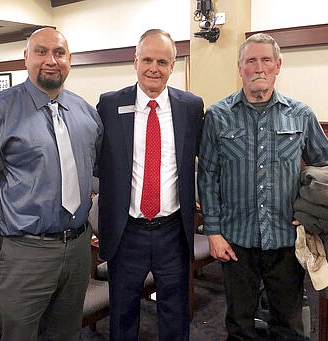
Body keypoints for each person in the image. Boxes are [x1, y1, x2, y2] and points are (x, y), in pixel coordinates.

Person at [197, 33, 328, 340]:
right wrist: (213, 231)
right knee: (239, 322)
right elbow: (207, 176)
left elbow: (327, 168)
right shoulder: (218, 116)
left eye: (265, 60)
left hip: (286, 239)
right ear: (240, 68)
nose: (258, 67)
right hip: (236, 241)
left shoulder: (301, 114)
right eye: (251, 61)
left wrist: (314, 213)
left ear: (278, 66)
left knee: (288, 324)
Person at [0, 27, 103, 340]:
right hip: (24, 252)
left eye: (59, 53)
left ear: (70, 60)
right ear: (26, 58)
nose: (50, 60)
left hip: (79, 246)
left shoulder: (86, 113)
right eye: (41, 52)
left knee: (66, 333)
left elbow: (95, 172)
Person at [96, 29, 204, 340]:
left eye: (162, 61)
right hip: (127, 232)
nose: (153, 68)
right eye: (147, 59)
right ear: (135, 62)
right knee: (123, 314)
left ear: (173, 66)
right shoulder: (109, 105)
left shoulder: (191, 107)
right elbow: (97, 161)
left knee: (175, 313)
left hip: (173, 231)